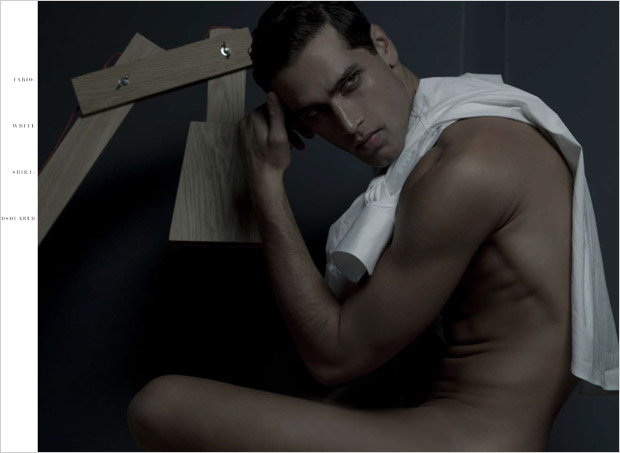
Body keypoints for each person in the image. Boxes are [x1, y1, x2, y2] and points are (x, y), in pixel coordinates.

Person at [125, 2, 612, 450]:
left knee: (159, 404)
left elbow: (333, 357)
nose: (348, 122)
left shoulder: (464, 166)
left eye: (349, 82)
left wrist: (265, 181)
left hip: (473, 440)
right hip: (448, 421)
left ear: (383, 45)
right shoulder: (456, 132)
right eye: (315, 112)